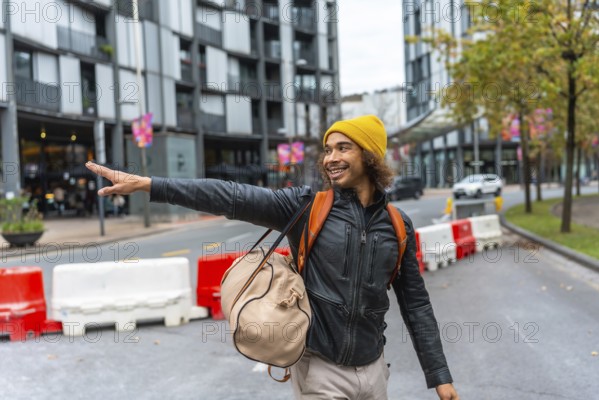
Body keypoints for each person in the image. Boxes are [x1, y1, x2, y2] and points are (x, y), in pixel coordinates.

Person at [85, 115, 459, 400]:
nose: (331, 158)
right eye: (328, 150)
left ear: (370, 156)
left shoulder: (397, 226)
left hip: (375, 371)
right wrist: (152, 185)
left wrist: (439, 375)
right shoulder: (308, 207)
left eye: (343, 148)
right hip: (320, 370)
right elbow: (231, 196)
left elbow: (416, 303)